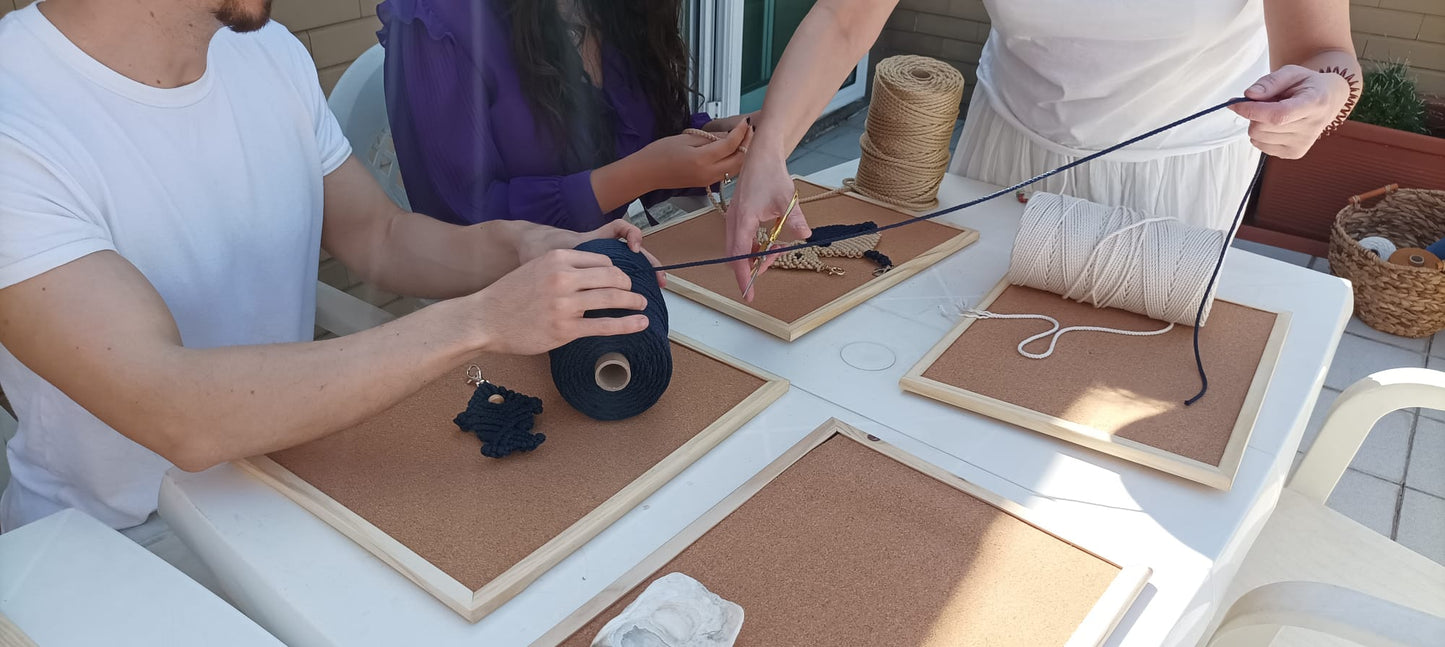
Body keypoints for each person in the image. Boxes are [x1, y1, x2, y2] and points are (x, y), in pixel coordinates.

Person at [0, 0, 661, 540]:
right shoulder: (17, 116)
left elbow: (381, 235)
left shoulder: (267, 53)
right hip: (116, 542)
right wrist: (481, 321)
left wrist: (524, 246)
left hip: (291, 482)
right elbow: (180, 415)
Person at [723, 0, 1359, 298]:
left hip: (1174, 182)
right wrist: (769, 150)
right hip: (1005, 154)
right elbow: (844, 16)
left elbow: (1325, 54)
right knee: (953, 337)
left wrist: (1326, 96)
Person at [377, 0, 754, 231]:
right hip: (515, 306)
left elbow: (641, 140)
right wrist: (642, 173)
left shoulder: (618, 10)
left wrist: (712, 139)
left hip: (638, 269)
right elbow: (460, 223)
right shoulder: (435, 21)